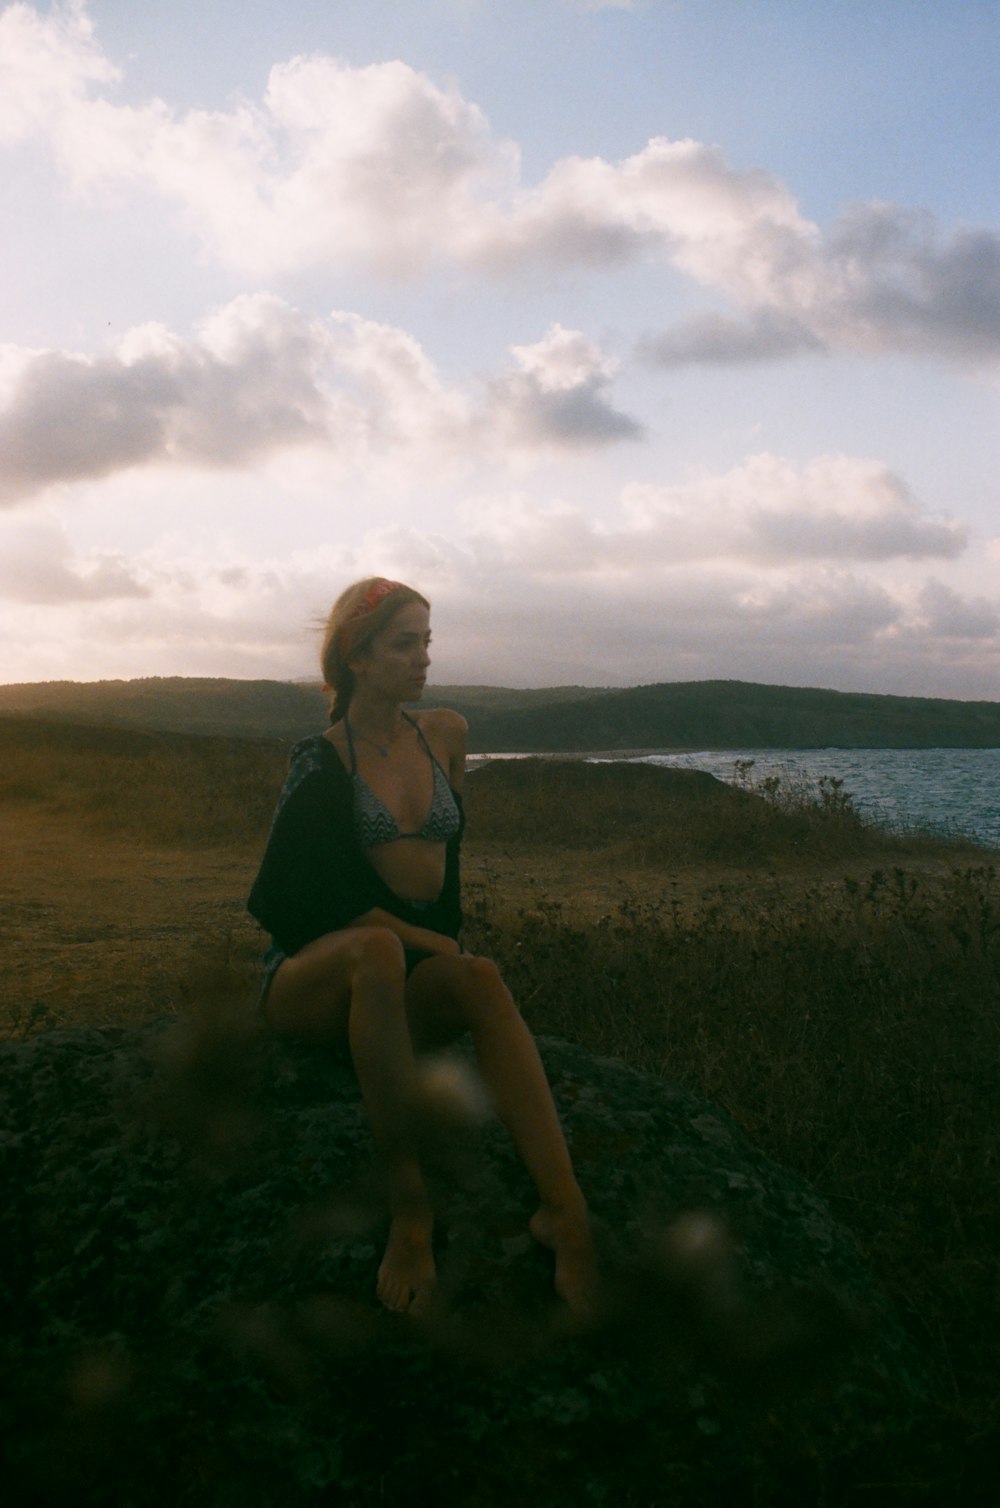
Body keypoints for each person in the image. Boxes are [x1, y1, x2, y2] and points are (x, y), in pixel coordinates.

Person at [247, 577, 595, 1318]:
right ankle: (411, 1216)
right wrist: (410, 936)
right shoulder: (322, 758)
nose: (423, 659)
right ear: (357, 656)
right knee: (374, 949)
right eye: (405, 643)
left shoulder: (444, 733)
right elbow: (285, 900)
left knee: (480, 978)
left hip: (400, 984)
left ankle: (566, 1212)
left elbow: (449, 861)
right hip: (313, 980)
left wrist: (441, 947)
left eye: (427, 641)